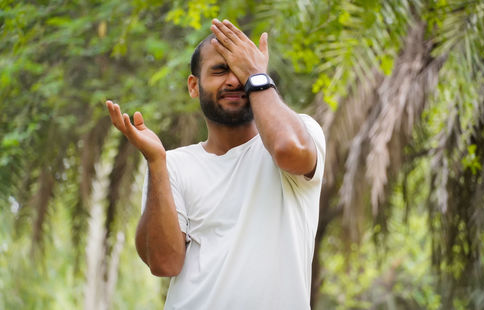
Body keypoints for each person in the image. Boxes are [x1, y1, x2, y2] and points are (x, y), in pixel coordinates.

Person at [106, 18, 325, 310]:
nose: (234, 80)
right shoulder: (173, 165)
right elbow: (163, 262)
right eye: (221, 70)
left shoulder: (303, 131)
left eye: (241, 70)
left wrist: (256, 75)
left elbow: (288, 150)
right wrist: (156, 162)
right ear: (194, 86)